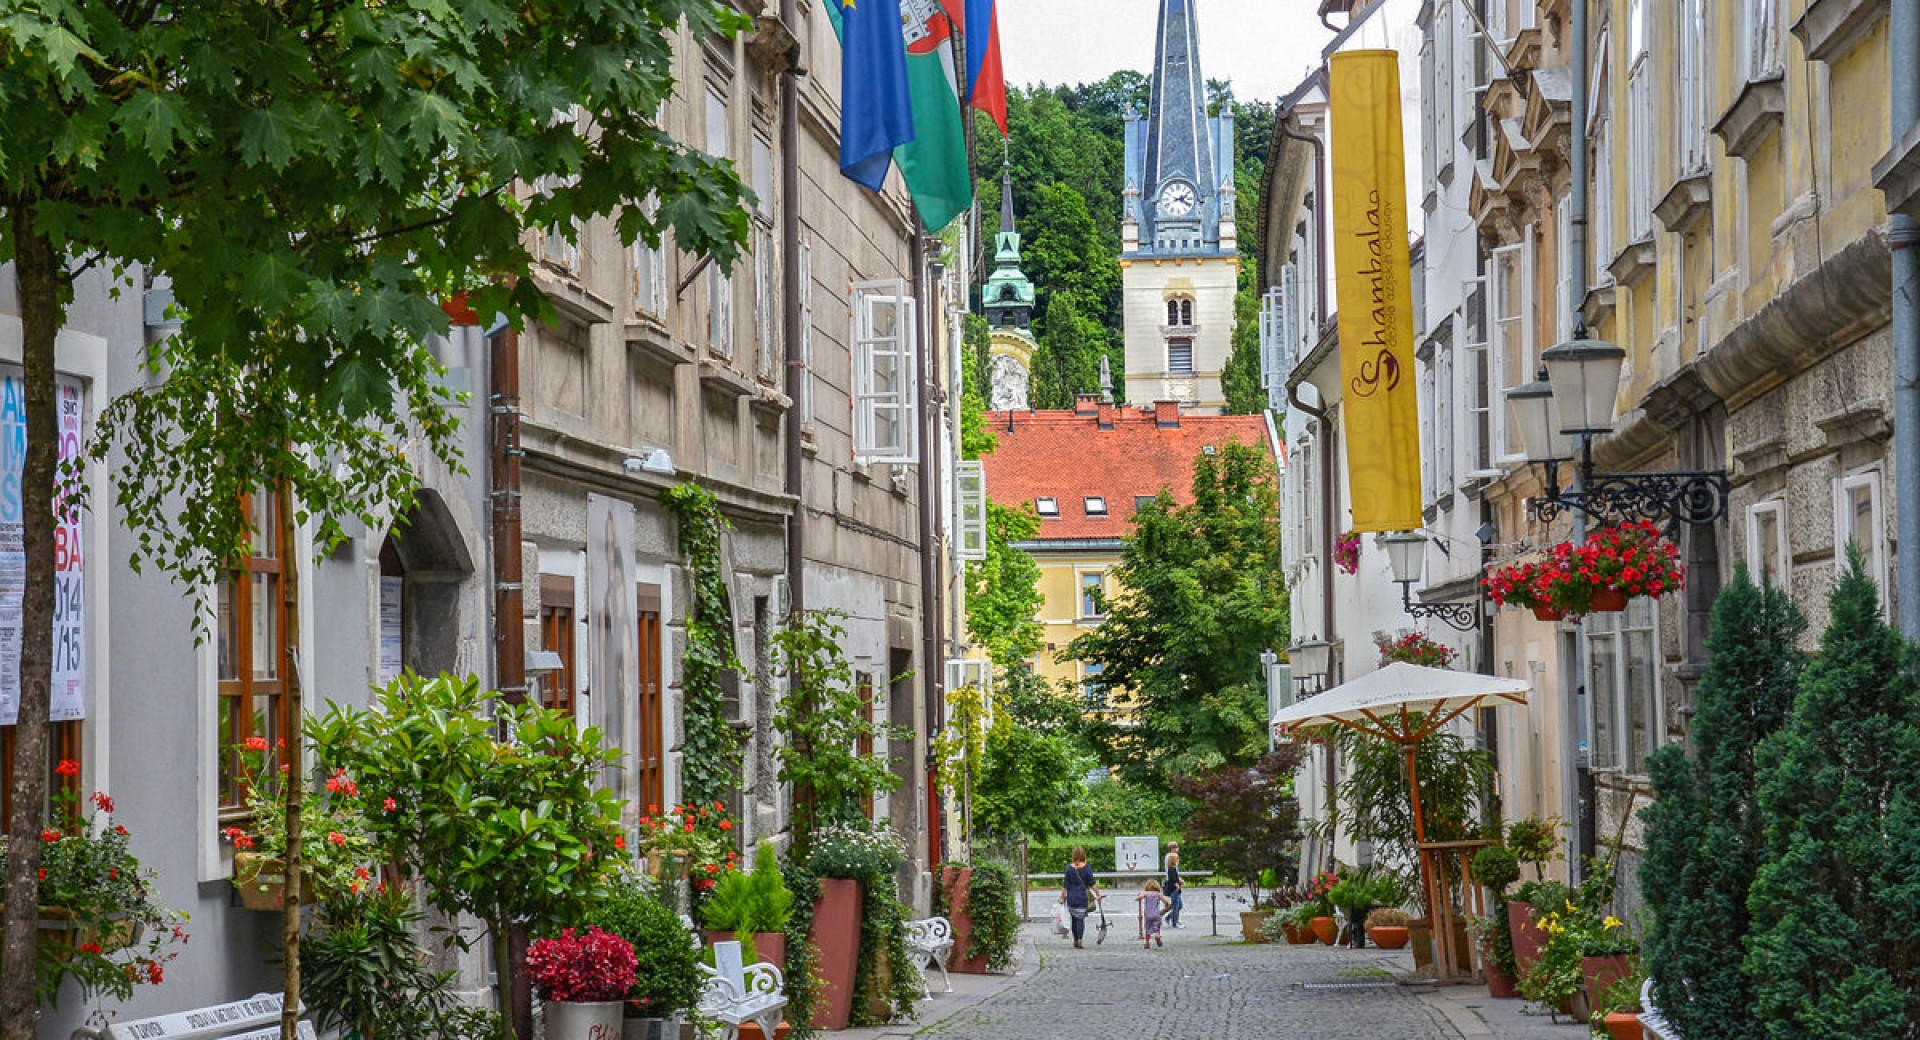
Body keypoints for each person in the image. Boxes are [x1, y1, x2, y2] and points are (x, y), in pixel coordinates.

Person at [1060, 847, 1099, 949]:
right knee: (1080, 919)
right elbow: (1092, 883)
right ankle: (1080, 939)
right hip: (1082, 896)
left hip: (1072, 897)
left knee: (1073, 919)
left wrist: (1062, 897)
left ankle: (1075, 940)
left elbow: (1065, 885)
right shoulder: (1087, 868)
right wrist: (1098, 894)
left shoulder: (1069, 868)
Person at [1137, 879, 1166, 949]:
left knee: (1148, 927)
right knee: (1157, 926)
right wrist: (1166, 906)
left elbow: (1138, 898)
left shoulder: (1146, 893)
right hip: (1156, 914)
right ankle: (1157, 934)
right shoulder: (1158, 894)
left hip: (1148, 915)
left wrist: (1139, 897)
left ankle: (1147, 942)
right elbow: (1166, 902)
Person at [1164, 842, 1184, 929]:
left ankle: (1169, 917)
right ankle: (1174, 922)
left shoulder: (1173, 866)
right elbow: (1172, 876)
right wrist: (1177, 883)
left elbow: (1175, 874)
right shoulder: (1170, 860)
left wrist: (1179, 880)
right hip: (1172, 886)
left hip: (1175, 884)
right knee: (1176, 904)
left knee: (1179, 905)